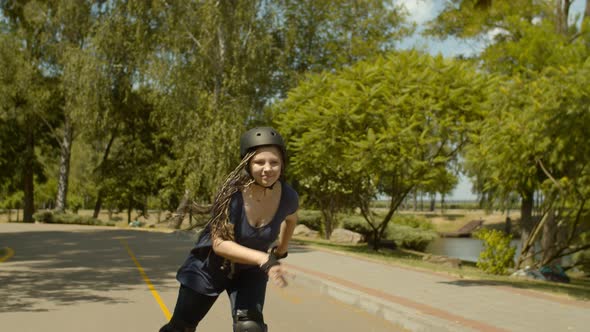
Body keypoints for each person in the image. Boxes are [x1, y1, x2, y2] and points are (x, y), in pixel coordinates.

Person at [159, 127, 299, 332]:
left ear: (282, 164)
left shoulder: (288, 196)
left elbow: (292, 219)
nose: (267, 168)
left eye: (274, 162)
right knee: (181, 327)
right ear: (247, 163)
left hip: (250, 271)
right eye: (260, 162)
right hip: (209, 267)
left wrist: (281, 251)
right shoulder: (231, 194)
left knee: (251, 328)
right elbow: (219, 244)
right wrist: (264, 259)